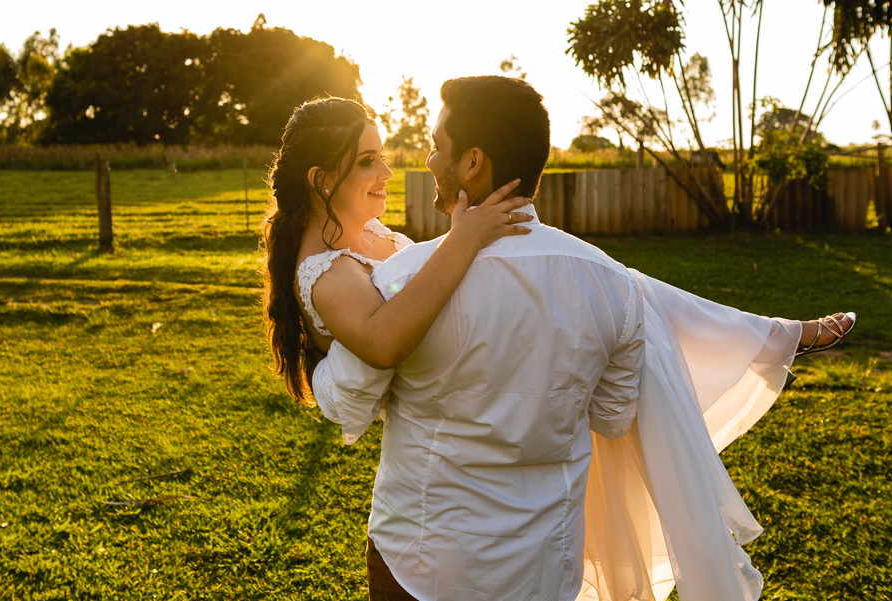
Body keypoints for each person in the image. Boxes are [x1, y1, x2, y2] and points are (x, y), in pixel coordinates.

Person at [262, 81, 855, 601]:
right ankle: (776, 332)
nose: (418, 160)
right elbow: (615, 415)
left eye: (436, 146)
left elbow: (353, 394)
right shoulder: (610, 282)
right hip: (545, 567)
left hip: (426, 564)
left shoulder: (403, 280)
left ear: (473, 163)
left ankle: (776, 331)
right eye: (371, 160)